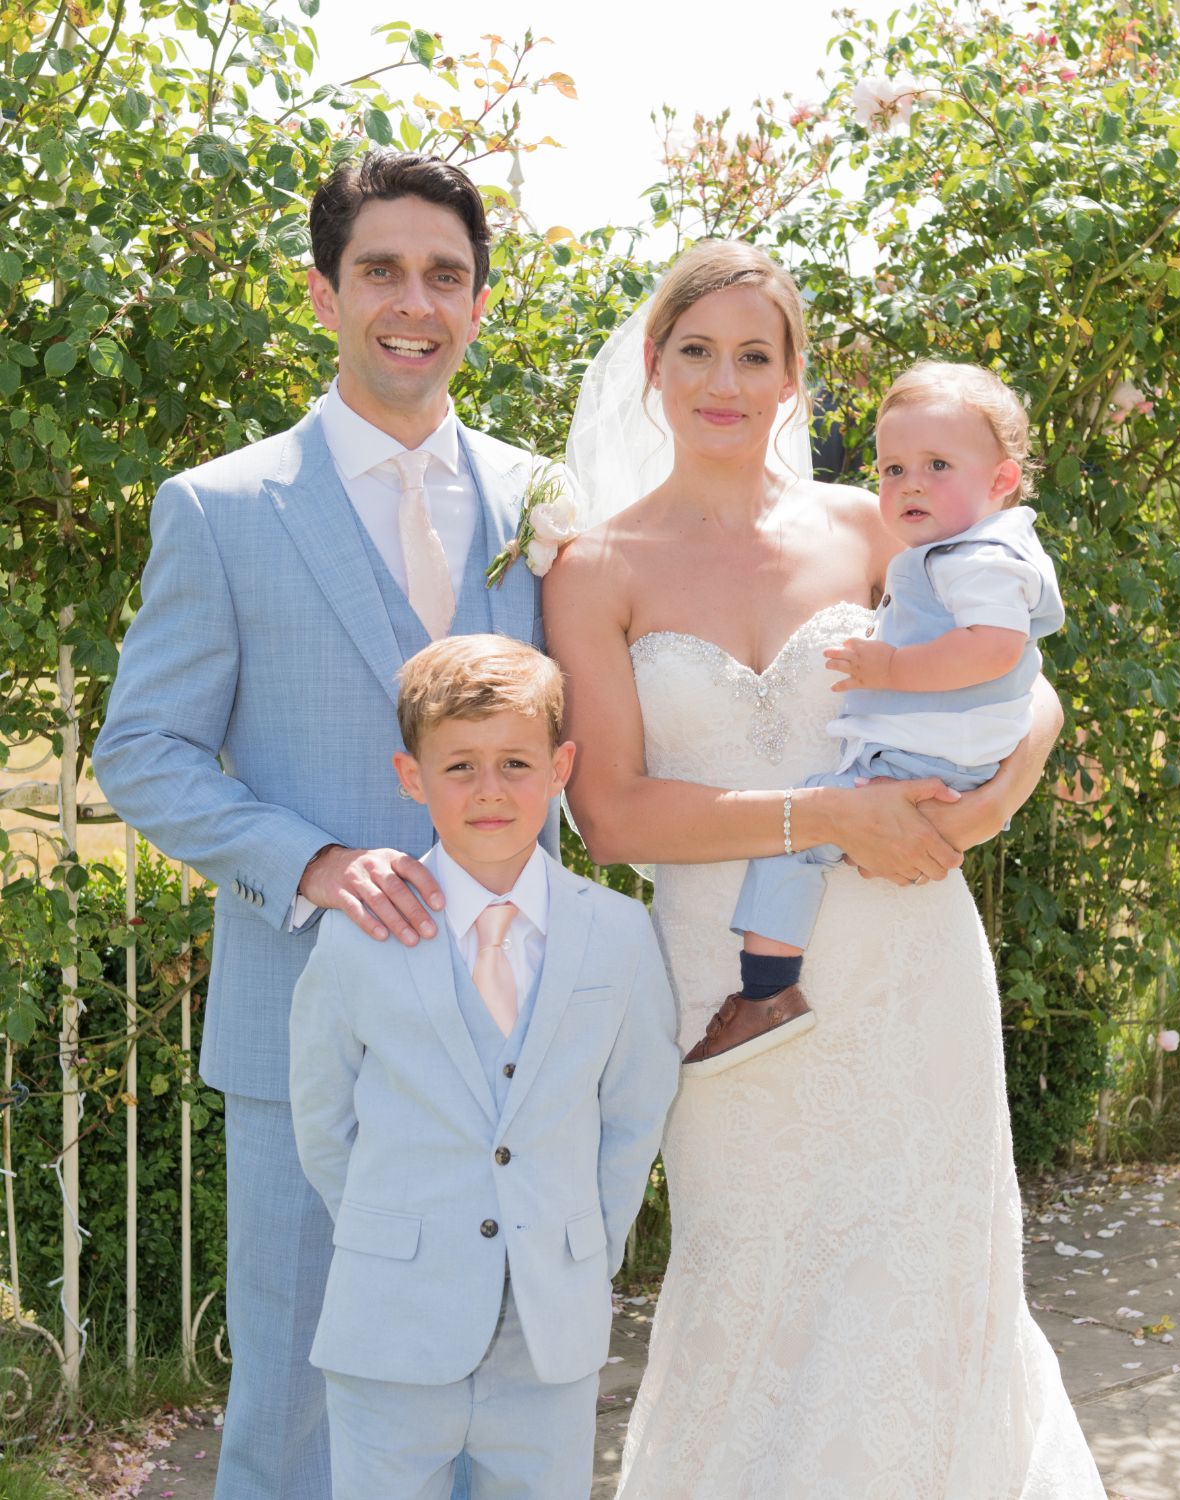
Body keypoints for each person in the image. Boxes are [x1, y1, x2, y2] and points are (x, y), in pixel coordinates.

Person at [545, 240, 1106, 1497]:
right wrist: (827, 817)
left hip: (911, 964)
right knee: (753, 1277)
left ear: (796, 379)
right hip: (740, 995)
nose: (725, 380)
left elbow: (1023, 684)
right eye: (698, 350)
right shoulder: (596, 569)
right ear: (654, 363)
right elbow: (615, 816)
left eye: (757, 354)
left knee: (927, 1272)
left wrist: (982, 808)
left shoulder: (871, 522)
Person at [92, 151, 554, 1500]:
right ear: (323, 291)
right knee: (295, 1402)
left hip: (510, 1032)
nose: (416, 300)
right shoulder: (221, 509)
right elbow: (146, 753)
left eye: (447, 274)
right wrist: (312, 861)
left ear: (478, 302)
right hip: (305, 1025)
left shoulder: (543, 507)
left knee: (495, 1391)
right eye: (382, 270)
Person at [289, 634, 678, 1500]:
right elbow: (324, 1117)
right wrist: (393, 1237)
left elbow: (634, 1111)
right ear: (410, 775)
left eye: (514, 762)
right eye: (458, 767)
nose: (490, 790)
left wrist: (583, 1247)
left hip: (551, 1327)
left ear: (560, 766)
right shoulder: (357, 936)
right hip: (390, 1323)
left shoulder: (616, 933)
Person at [686, 358, 1065, 1074]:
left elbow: (996, 652)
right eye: (892, 469)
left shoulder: (978, 557)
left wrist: (891, 671)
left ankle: (766, 993)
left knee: (796, 840)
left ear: (1002, 481)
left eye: (936, 464)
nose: (909, 483)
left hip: (929, 762)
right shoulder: (957, 548)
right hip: (941, 754)